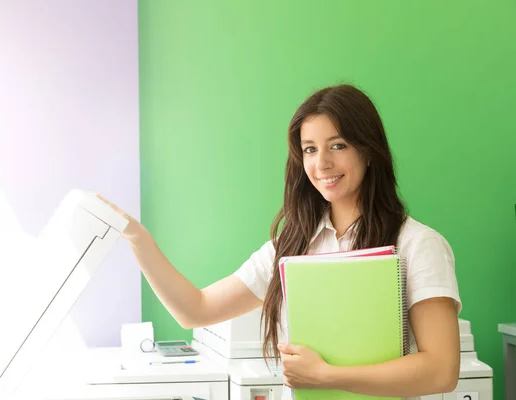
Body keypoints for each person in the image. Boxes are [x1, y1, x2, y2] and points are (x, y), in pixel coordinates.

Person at [98, 84, 461, 400]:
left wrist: (327, 376)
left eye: (337, 145)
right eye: (310, 149)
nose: (322, 163)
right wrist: (137, 238)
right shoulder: (290, 246)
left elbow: (441, 370)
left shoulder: (417, 244)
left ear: (367, 150)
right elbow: (195, 310)